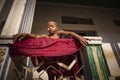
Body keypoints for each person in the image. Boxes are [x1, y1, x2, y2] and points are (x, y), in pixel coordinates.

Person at [12, 21, 88, 80]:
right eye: (48, 27)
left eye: (52, 26)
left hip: (60, 60)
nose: (50, 28)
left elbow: (70, 33)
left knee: (60, 76)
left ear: (56, 28)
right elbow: (37, 36)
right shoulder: (46, 36)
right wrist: (26, 34)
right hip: (49, 61)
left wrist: (79, 37)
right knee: (50, 77)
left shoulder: (58, 33)